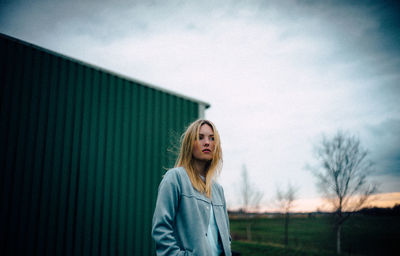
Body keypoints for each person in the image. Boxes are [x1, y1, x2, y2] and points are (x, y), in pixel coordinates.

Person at [152, 119, 232, 256]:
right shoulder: (175, 179)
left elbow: (226, 237)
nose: (207, 142)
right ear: (189, 144)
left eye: (212, 138)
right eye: (200, 137)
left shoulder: (218, 190)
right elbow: (161, 230)